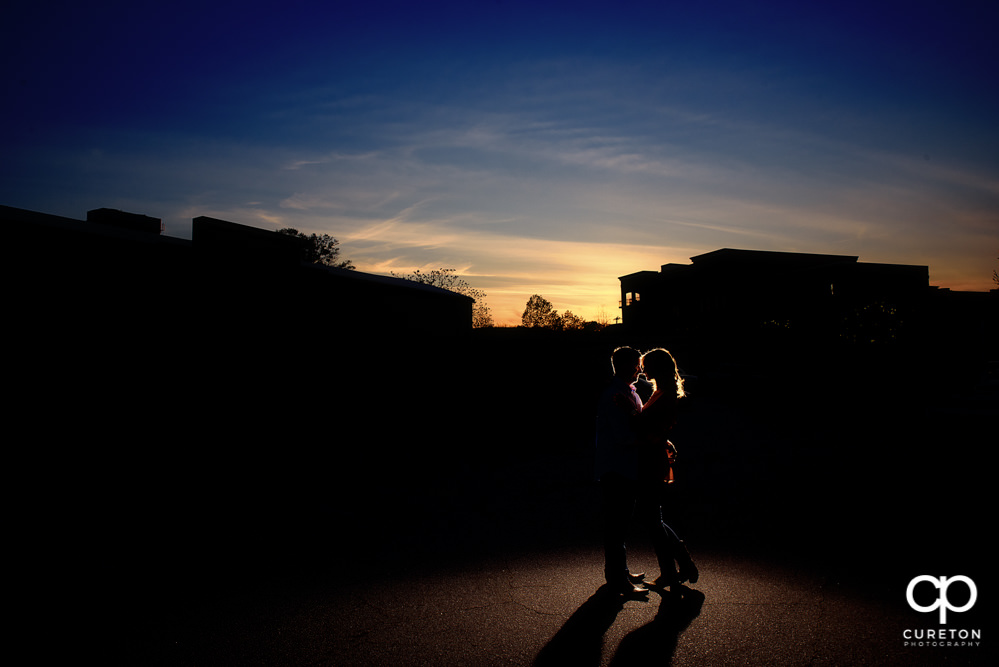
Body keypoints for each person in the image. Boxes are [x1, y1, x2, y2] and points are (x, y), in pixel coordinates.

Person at [595, 346, 676, 595]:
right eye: (637, 365)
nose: (640, 369)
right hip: (617, 468)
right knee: (617, 525)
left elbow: (638, 423)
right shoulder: (615, 395)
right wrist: (656, 441)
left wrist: (660, 440)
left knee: (622, 523)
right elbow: (624, 437)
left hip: (627, 468)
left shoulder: (629, 392)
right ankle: (619, 581)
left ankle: (620, 572)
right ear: (629, 366)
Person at [634, 348, 698, 588]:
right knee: (652, 517)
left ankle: (674, 570)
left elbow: (655, 429)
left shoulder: (665, 395)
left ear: (656, 368)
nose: (642, 370)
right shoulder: (661, 391)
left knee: (651, 517)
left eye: (645, 365)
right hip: (651, 457)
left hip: (651, 460)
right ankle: (680, 565)